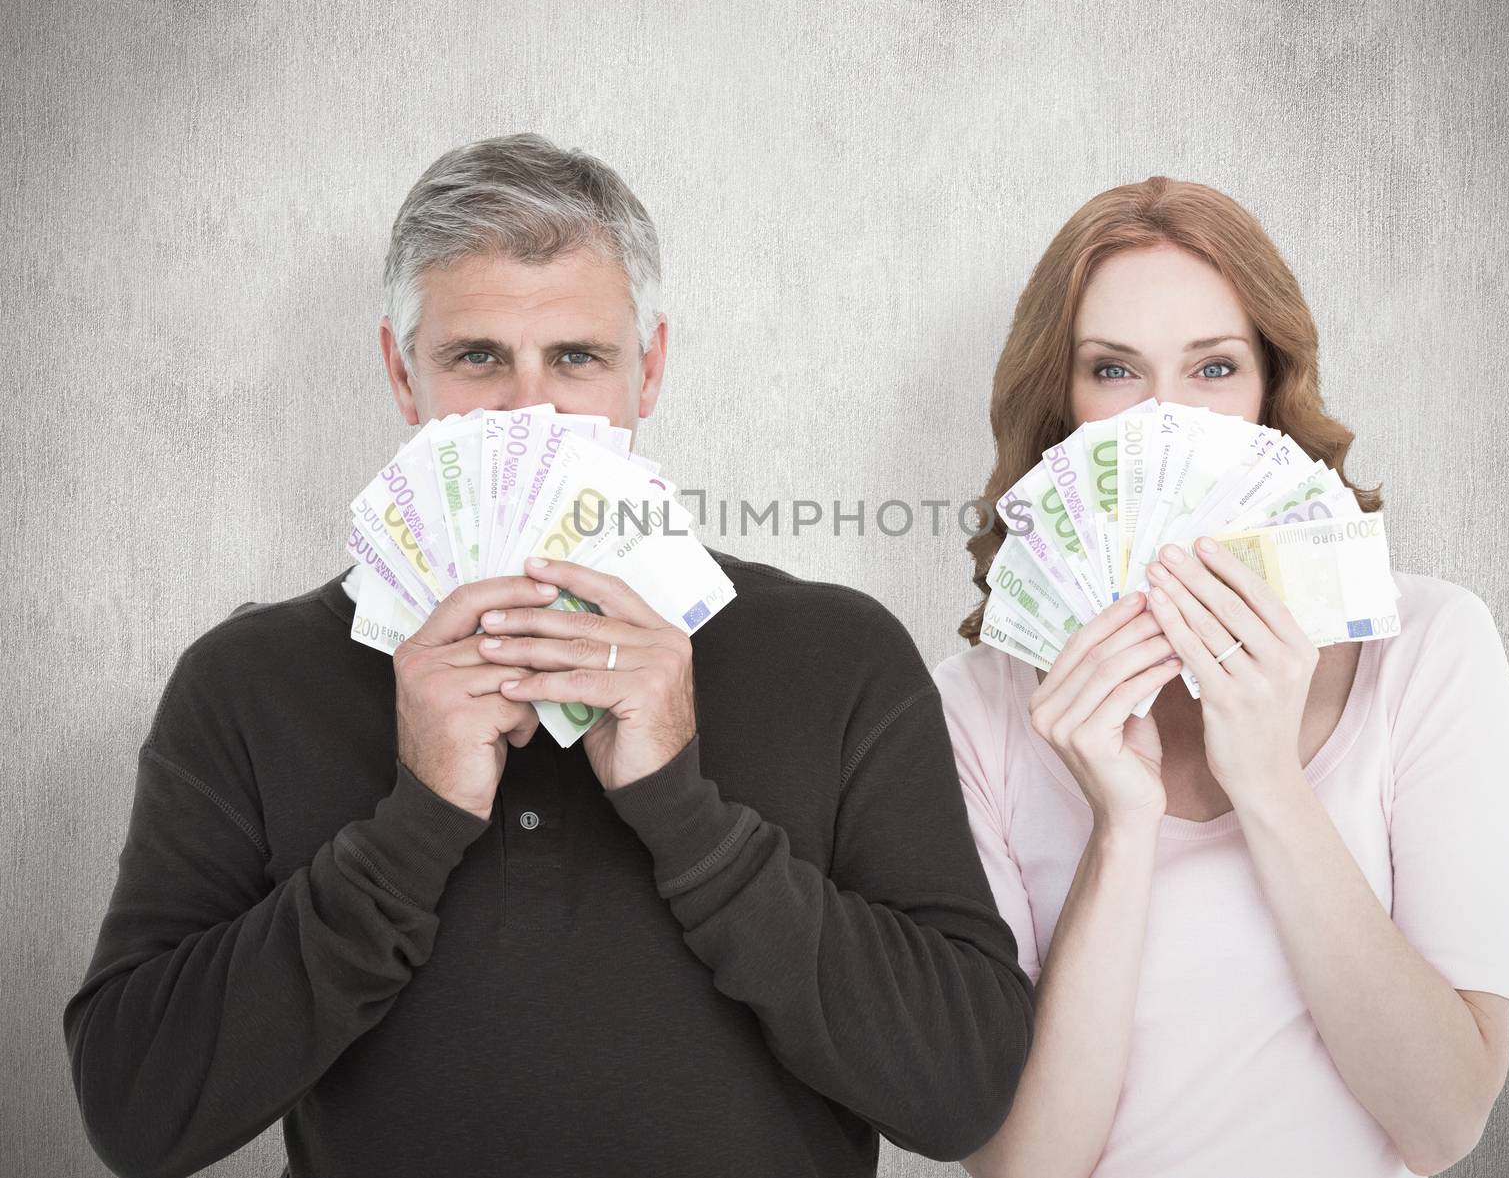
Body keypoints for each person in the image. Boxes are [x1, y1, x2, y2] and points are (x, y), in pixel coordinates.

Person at [63, 132, 1033, 1178]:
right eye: (477, 357)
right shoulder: (250, 680)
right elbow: (138, 1117)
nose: (530, 412)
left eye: (577, 357)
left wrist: (681, 807)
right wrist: (415, 823)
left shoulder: (838, 652)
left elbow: (958, 1095)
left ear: (648, 368)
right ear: (403, 372)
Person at [934, 177, 1509, 1178]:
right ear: (1061, 414)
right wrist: (1120, 827)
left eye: (1212, 366)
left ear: (1270, 393)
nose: (1167, 422)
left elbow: (1444, 1122)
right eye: (1113, 370)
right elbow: (1022, 1169)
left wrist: (1268, 783)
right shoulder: (977, 706)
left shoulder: (1425, 645)